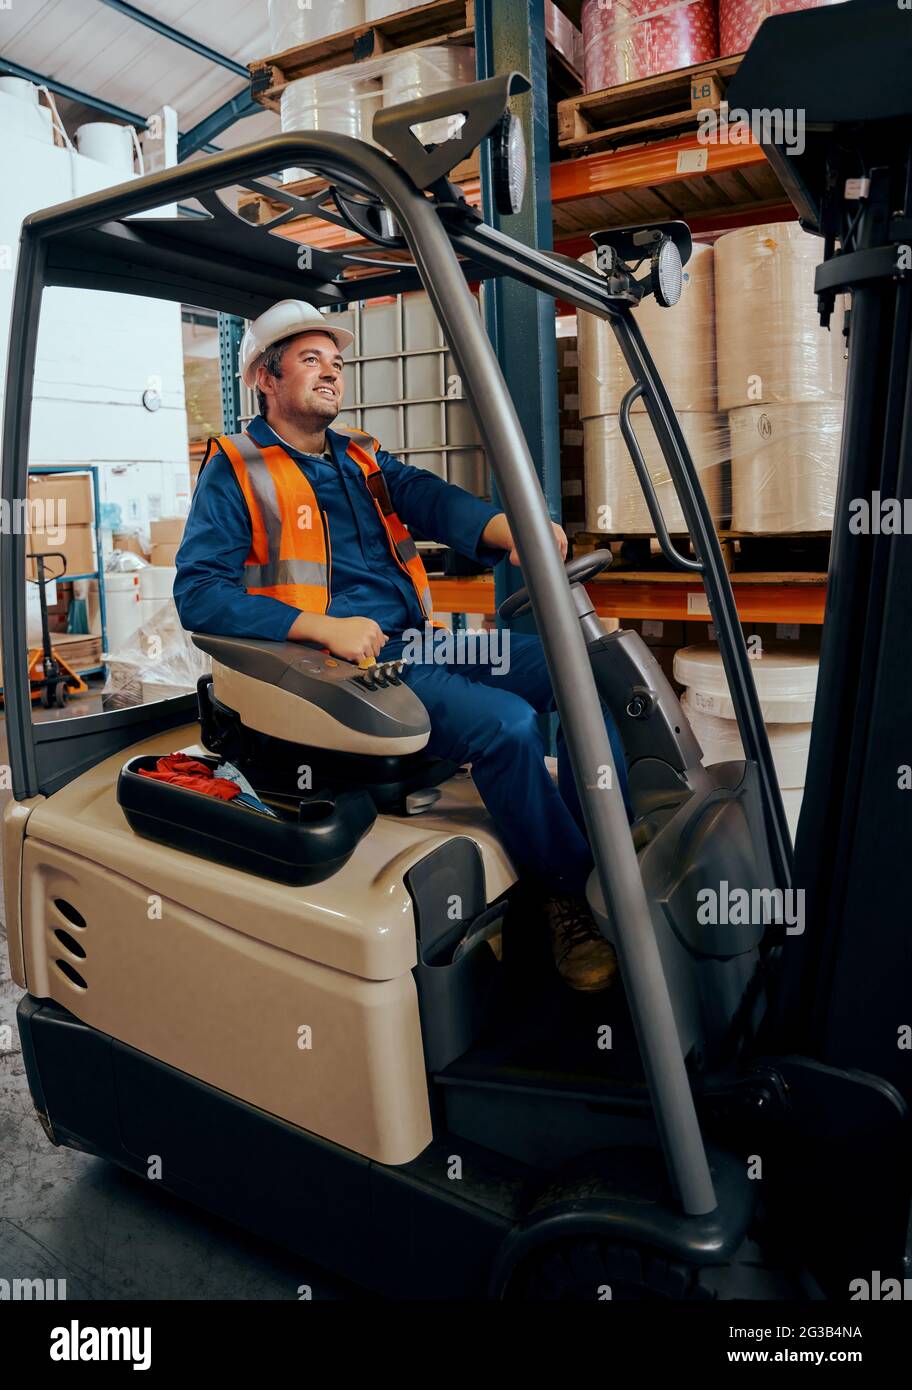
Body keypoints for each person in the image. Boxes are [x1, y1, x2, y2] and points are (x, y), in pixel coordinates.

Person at [174, 299, 628, 991]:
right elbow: (199, 593)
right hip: (347, 667)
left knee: (585, 670)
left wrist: (511, 528)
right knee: (505, 726)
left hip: (426, 646)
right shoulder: (235, 469)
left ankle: (617, 852)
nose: (331, 373)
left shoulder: (361, 457)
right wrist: (319, 627)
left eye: (336, 361)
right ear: (265, 378)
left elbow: (431, 498)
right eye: (310, 360)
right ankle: (564, 894)